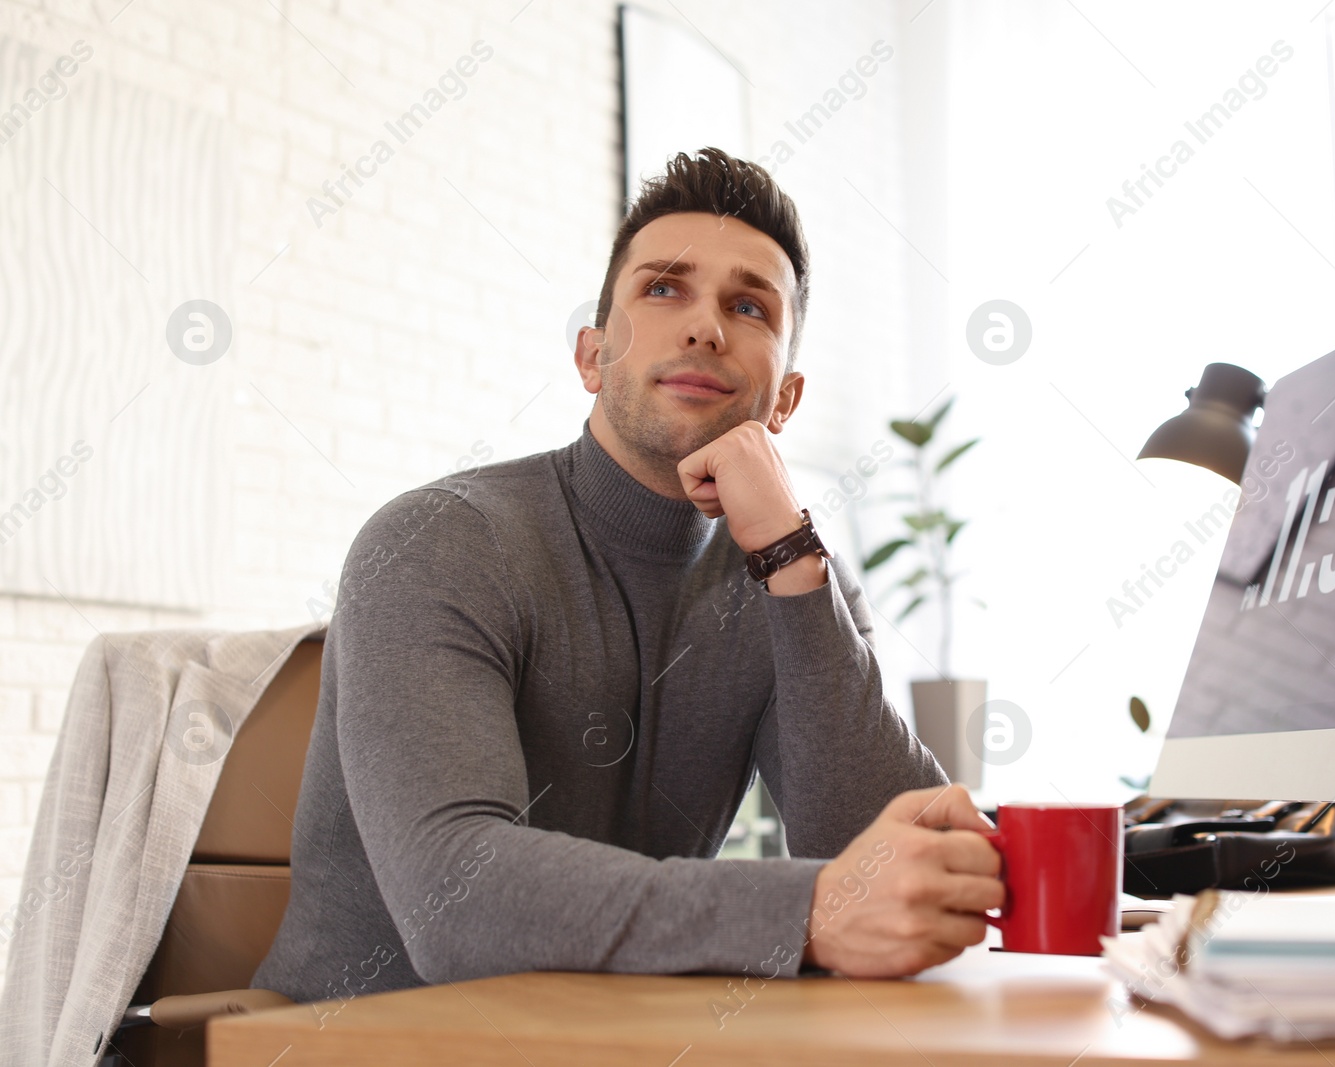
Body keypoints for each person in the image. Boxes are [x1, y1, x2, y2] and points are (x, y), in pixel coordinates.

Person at [253, 148, 1003, 1005]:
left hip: (611, 1039)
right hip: (364, 1045)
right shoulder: (439, 541)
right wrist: (806, 910)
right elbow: (452, 897)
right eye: (662, 289)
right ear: (591, 354)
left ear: (785, 401)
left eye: (748, 305)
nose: (704, 326)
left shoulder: (787, 572)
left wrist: (792, 563)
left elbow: (894, 863)